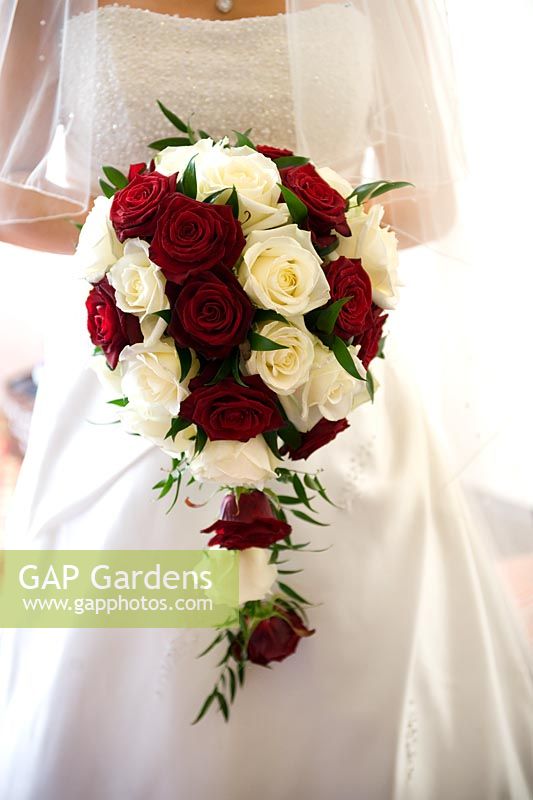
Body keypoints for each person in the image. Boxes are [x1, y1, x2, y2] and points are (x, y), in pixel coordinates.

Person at [0, 1, 531, 798]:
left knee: (357, 643)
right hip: (132, 371)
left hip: (327, 368)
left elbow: (432, 201)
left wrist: (299, 241)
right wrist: (154, 245)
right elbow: (9, 190)